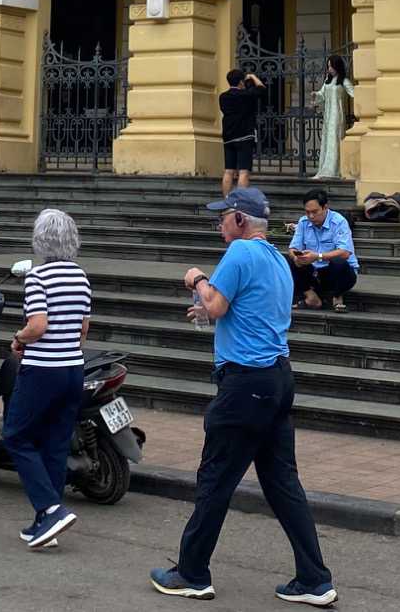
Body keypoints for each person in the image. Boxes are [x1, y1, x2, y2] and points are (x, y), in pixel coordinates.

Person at [151, 188, 333, 605]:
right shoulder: (278, 259)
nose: (219, 225)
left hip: (245, 383)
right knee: (283, 483)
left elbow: (216, 305)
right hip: (278, 378)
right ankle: (315, 578)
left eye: (223, 217)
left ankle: (192, 573)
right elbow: (247, 309)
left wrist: (197, 279)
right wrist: (212, 307)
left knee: (215, 478)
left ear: (240, 220)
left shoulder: (239, 252)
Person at [3, 209, 92, 550]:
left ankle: (51, 510)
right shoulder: (81, 277)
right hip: (73, 369)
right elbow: (83, 329)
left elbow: (38, 325)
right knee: (55, 443)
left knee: (16, 435)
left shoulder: (37, 277)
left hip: (42, 369)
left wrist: (19, 338)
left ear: (40, 240)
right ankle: (46, 523)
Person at [286, 189, 358, 313]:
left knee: (339, 262)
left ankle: (337, 297)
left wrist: (318, 256)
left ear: (325, 207)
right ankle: (311, 297)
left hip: (337, 274)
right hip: (314, 272)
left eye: (315, 212)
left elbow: (345, 252)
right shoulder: (303, 222)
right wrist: (296, 257)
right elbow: (293, 248)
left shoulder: (339, 221)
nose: (311, 216)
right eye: (307, 212)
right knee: (288, 260)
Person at [217, 71, 263, 198]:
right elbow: (261, 89)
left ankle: (227, 200)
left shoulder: (223, 97)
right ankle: (240, 202)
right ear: (241, 82)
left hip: (228, 137)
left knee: (228, 171)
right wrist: (253, 77)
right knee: (244, 172)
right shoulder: (246, 95)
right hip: (244, 137)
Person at [312, 57, 352, 181]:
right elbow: (322, 94)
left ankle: (333, 170)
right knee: (327, 140)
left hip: (337, 116)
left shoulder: (344, 81)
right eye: (328, 66)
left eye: (331, 66)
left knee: (334, 141)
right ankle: (324, 170)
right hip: (328, 116)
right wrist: (316, 94)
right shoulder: (327, 81)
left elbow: (354, 93)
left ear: (337, 66)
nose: (329, 69)